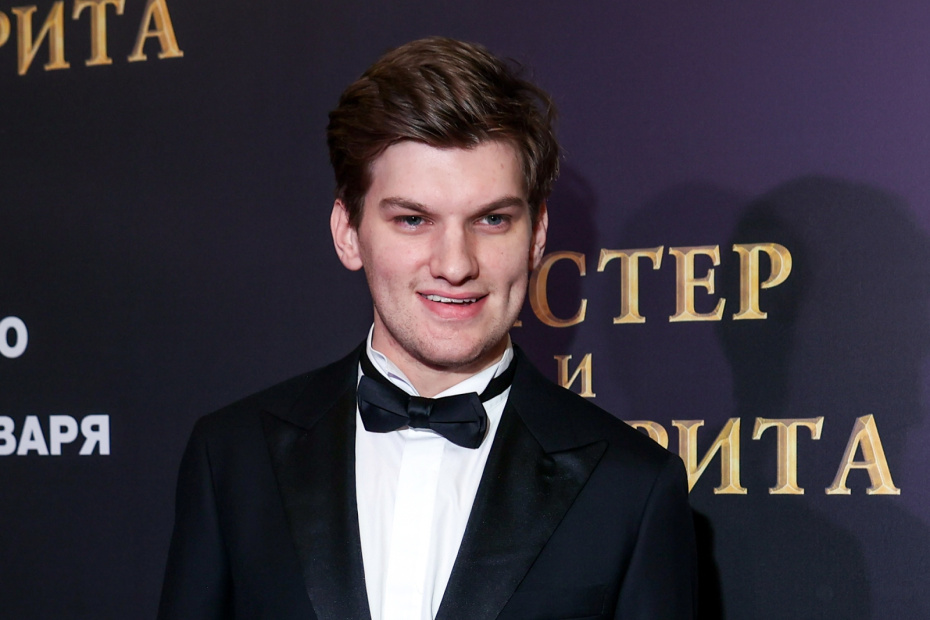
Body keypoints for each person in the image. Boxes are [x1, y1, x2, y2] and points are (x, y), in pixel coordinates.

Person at [158, 37, 697, 620]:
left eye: (492, 219)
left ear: (537, 236)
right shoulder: (233, 458)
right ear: (348, 233)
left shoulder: (630, 487)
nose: (456, 264)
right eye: (414, 220)